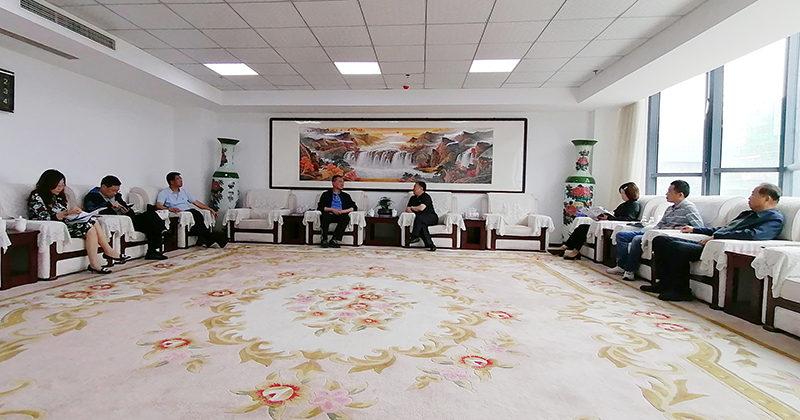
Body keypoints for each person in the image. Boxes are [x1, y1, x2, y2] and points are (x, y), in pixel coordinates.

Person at [643, 183, 785, 301]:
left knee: (676, 247)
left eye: (753, 194)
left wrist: (717, 237)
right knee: (660, 240)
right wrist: (695, 230)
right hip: (711, 242)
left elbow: (754, 235)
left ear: (766, 199)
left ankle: (682, 291)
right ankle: (664, 283)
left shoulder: (774, 218)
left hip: (720, 248)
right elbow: (723, 228)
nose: (749, 198)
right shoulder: (747, 214)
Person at [28, 169, 129, 274]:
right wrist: (67, 213)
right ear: (49, 183)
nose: (60, 188)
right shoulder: (37, 196)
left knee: (92, 223)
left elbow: (63, 214)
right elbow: (44, 218)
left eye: (62, 185)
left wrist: (74, 214)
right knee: (89, 226)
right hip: (55, 227)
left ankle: (98, 260)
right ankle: (105, 254)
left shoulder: (57, 197)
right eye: (57, 186)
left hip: (65, 223)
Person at [607, 180, 703, 281]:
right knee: (622, 235)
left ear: (680, 194)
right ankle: (621, 266)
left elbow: (698, 227)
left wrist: (675, 229)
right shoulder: (670, 208)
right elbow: (660, 224)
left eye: (669, 191)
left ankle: (629, 271)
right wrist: (650, 232)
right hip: (656, 232)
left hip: (667, 235)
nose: (666, 194)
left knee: (637, 239)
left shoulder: (688, 208)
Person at [84, 175, 168, 260]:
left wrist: (126, 209)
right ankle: (164, 234)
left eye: (117, 191)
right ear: (103, 187)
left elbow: (124, 205)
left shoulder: (117, 196)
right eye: (113, 190)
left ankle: (157, 243)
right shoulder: (92, 196)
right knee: (150, 223)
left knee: (150, 215)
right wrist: (109, 204)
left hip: (128, 218)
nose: (115, 193)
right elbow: (90, 210)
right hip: (119, 221)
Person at [553, 182, 642, 260]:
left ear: (629, 193)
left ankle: (574, 251)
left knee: (584, 229)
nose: (621, 196)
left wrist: (608, 218)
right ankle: (566, 246)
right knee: (582, 227)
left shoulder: (634, 205)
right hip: (609, 223)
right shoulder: (624, 204)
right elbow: (615, 213)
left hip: (613, 227)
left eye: (622, 193)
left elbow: (628, 218)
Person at [155, 172, 227, 248]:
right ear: (172, 182)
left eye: (181, 178)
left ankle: (205, 238)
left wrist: (210, 209)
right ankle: (214, 238)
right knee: (195, 216)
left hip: (189, 211)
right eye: (178, 179)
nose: (181, 180)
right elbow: (158, 205)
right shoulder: (164, 193)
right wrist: (169, 209)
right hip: (178, 213)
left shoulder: (184, 191)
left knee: (196, 214)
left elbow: (197, 203)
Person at [316, 175, 357, 248]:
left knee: (345, 218)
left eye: (343, 182)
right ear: (334, 183)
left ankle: (334, 240)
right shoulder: (326, 194)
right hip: (330, 214)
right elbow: (320, 207)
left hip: (341, 214)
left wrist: (343, 211)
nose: (342, 184)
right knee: (325, 216)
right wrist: (332, 209)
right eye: (340, 182)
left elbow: (354, 207)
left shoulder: (346, 196)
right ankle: (324, 239)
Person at [405, 181, 437, 252]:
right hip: (420, 220)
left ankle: (414, 235)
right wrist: (412, 209)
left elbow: (421, 208)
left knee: (420, 218)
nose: (413, 189)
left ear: (421, 188)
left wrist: (412, 208)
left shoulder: (426, 196)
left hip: (431, 217)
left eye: (415, 187)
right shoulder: (412, 198)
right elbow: (408, 209)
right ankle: (431, 245)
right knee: (422, 226)